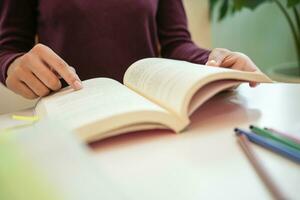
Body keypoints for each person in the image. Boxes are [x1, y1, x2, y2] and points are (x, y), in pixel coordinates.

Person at [0, 0, 259, 100]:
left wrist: (215, 62)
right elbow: (7, 48)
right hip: (68, 123)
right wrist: (11, 65)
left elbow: (177, 43)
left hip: (148, 118)